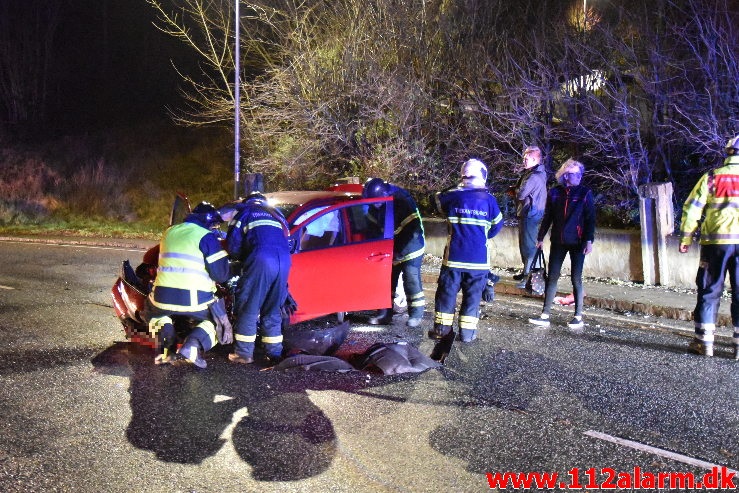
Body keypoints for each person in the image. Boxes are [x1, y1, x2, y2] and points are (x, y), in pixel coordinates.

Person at [143, 202, 231, 368]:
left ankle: (166, 348)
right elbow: (220, 274)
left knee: (154, 315)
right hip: (194, 300)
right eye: (214, 226)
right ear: (209, 223)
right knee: (215, 322)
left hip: (162, 297)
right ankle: (192, 345)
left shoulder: (169, 231)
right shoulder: (206, 236)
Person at [678, 134, 739, 359]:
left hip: (716, 244)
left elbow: (692, 208)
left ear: (728, 153)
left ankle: (705, 343)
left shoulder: (712, 177)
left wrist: (686, 238)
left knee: (709, 290)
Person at [430, 158, 503, 342]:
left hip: (454, 259)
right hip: (478, 263)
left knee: (446, 296)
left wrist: (454, 188)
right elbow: (496, 226)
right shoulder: (490, 201)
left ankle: (442, 330)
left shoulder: (452, 197)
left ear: (463, 176)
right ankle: (467, 334)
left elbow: (435, 200)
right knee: (472, 298)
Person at [528, 158, 595, 329]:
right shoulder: (555, 193)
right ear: (565, 176)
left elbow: (590, 219)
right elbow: (548, 217)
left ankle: (578, 316)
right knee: (552, 277)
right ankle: (545, 315)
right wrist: (540, 237)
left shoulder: (584, 193)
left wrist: (589, 240)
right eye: (575, 174)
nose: (579, 176)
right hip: (558, 240)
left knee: (576, 278)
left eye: (580, 174)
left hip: (578, 241)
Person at [226, 192, 292, 365]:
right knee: (272, 308)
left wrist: (240, 259)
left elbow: (233, 243)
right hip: (284, 261)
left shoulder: (245, 213)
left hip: (261, 259)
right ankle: (274, 353)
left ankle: (243, 354)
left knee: (249, 305)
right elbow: (290, 240)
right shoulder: (276, 214)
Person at [362, 178, 426, 327]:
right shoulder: (374, 204)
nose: (374, 205)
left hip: (411, 246)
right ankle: (385, 314)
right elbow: (371, 228)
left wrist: (399, 251)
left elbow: (412, 230)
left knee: (411, 279)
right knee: (386, 281)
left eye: (375, 202)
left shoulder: (402, 202)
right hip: (390, 247)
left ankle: (416, 315)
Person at [510, 146, 548, 288]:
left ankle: (528, 276)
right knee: (527, 244)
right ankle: (527, 272)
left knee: (528, 246)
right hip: (532, 211)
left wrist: (515, 190)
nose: (524, 161)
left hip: (529, 213)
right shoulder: (536, 173)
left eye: (526, 159)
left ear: (534, 159)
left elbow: (521, 194)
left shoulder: (533, 176)